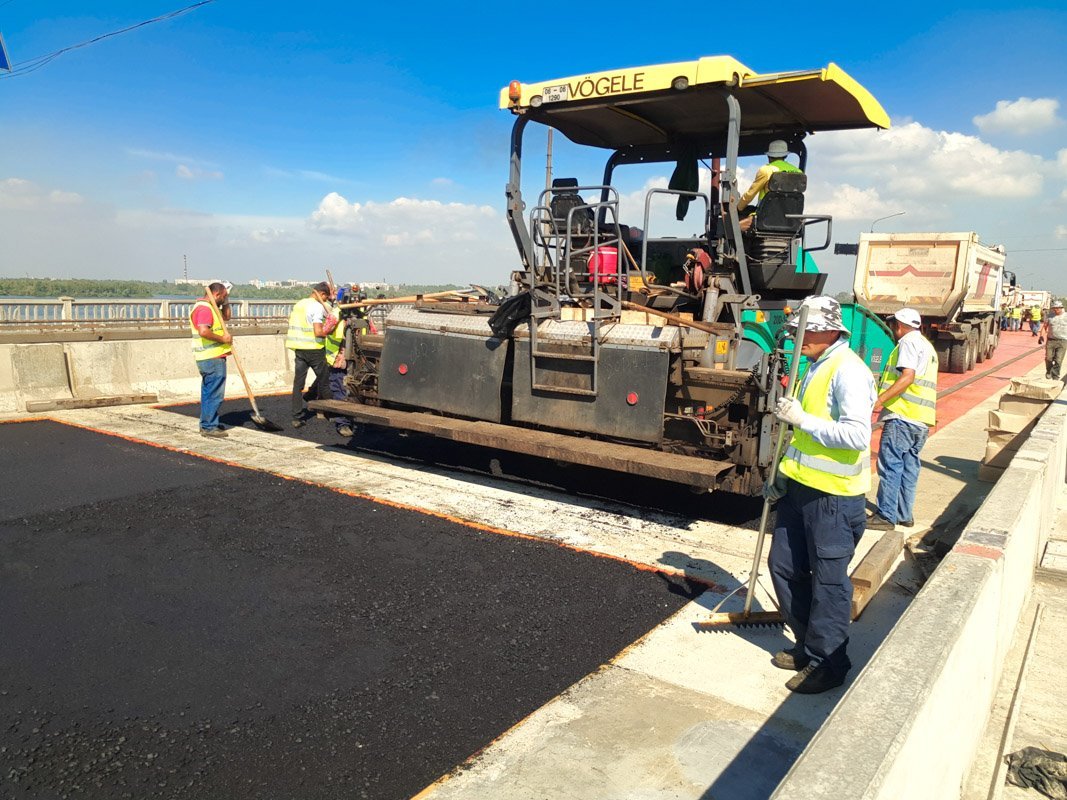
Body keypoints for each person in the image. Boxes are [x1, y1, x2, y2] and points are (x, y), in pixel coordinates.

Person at [763, 295, 876, 694]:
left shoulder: (849, 372)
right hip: (800, 490)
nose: (798, 339)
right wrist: (780, 473)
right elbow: (800, 440)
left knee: (829, 583)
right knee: (784, 566)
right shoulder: (814, 366)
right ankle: (807, 643)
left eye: (804, 332)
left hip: (833, 500)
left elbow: (857, 434)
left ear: (829, 329)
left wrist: (802, 419)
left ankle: (830, 661)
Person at [867, 309, 938, 531]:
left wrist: (878, 401)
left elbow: (908, 376)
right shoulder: (927, 345)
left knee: (890, 465)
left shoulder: (907, 343)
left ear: (898, 325)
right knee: (909, 466)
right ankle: (903, 514)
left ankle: (886, 515)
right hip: (921, 420)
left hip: (903, 416)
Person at [286, 281, 335, 428]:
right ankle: (331, 413)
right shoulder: (317, 306)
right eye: (325, 297)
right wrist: (329, 331)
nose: (325, 300)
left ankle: (296, 417)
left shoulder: (299, 304)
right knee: (324, 381)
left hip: (299, 349)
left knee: (298, 384)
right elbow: (318, 331)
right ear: (322, 294)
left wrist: (330, 304)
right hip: (314, 349)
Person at [189, 282, 233, 438]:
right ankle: (208, 426)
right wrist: (223, 338)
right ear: (216, 295)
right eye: (224, 297)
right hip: (210, 358)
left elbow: (226, 317)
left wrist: (226, 300)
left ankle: (208, 422)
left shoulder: (212, 308)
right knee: (214, 393)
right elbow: (203, 331)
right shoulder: (205, 309)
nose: (225, 299)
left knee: (209, 392)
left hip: (211, 357)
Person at [736, 139, 803, 232]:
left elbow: (750, 195)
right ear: (786, 155)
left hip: (766, 218)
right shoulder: (799, 173)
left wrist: (738, 208)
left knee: (732, 229)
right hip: (789, 221)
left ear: (769, 156)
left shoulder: (766, 170)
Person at [324, 286, 356, 438]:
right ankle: (343, 422)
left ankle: (344, 422)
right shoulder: (362, 314)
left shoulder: (335, 314)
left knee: (341, 390)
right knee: (344, 391)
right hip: (350, 360)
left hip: (342, 359)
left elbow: (324, 330)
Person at [1040, 300, 1067, 380]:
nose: (1055, 310)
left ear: (1061, 308)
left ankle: (1055, 375)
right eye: (1054, 308)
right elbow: (1044, 327)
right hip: (1051, 340)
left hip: (1063, 341)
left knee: (1058, 360)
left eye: (1057, 308)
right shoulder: (1049, 316)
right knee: (1048, 358)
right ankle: (1049, 371)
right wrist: (1041, 336)